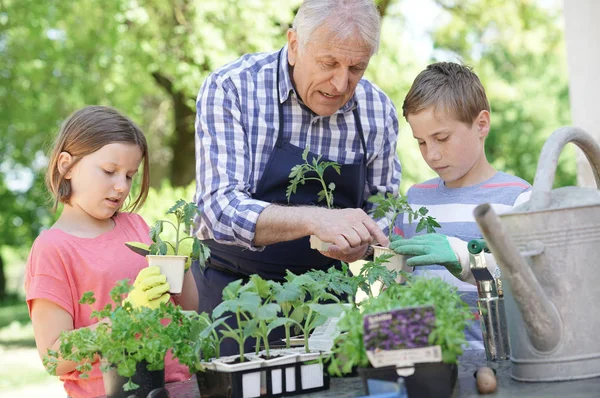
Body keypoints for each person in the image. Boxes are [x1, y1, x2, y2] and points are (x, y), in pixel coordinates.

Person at [193, 0, 401, 354]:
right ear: (293, 45)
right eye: (329, 63)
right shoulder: (232, 89)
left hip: (328, 299)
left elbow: (385, 204)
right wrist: (315, 220)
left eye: (356, 68)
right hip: (234, 298)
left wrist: (363, 242)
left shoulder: (377, 110)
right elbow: (219, 207)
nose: (340, 83)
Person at [25, 106, 198, 398]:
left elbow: (188, 311)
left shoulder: (137, 227)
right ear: (66, 165)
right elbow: (54, 356)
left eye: (130, 175)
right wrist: (126, 317)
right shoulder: (53, 248)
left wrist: (182, 265)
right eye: (109, 171)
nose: (121, 187)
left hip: (176, 388)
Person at [391, 62, 531, 348]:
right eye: (421, 142)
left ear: (481, 124)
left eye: (441, 138)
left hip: (498, 364)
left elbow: (529, 286)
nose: (432, 155)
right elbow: (397, 283)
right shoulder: (414, 201)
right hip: (429, 363)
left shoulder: (517, 200)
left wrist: (467, 259)